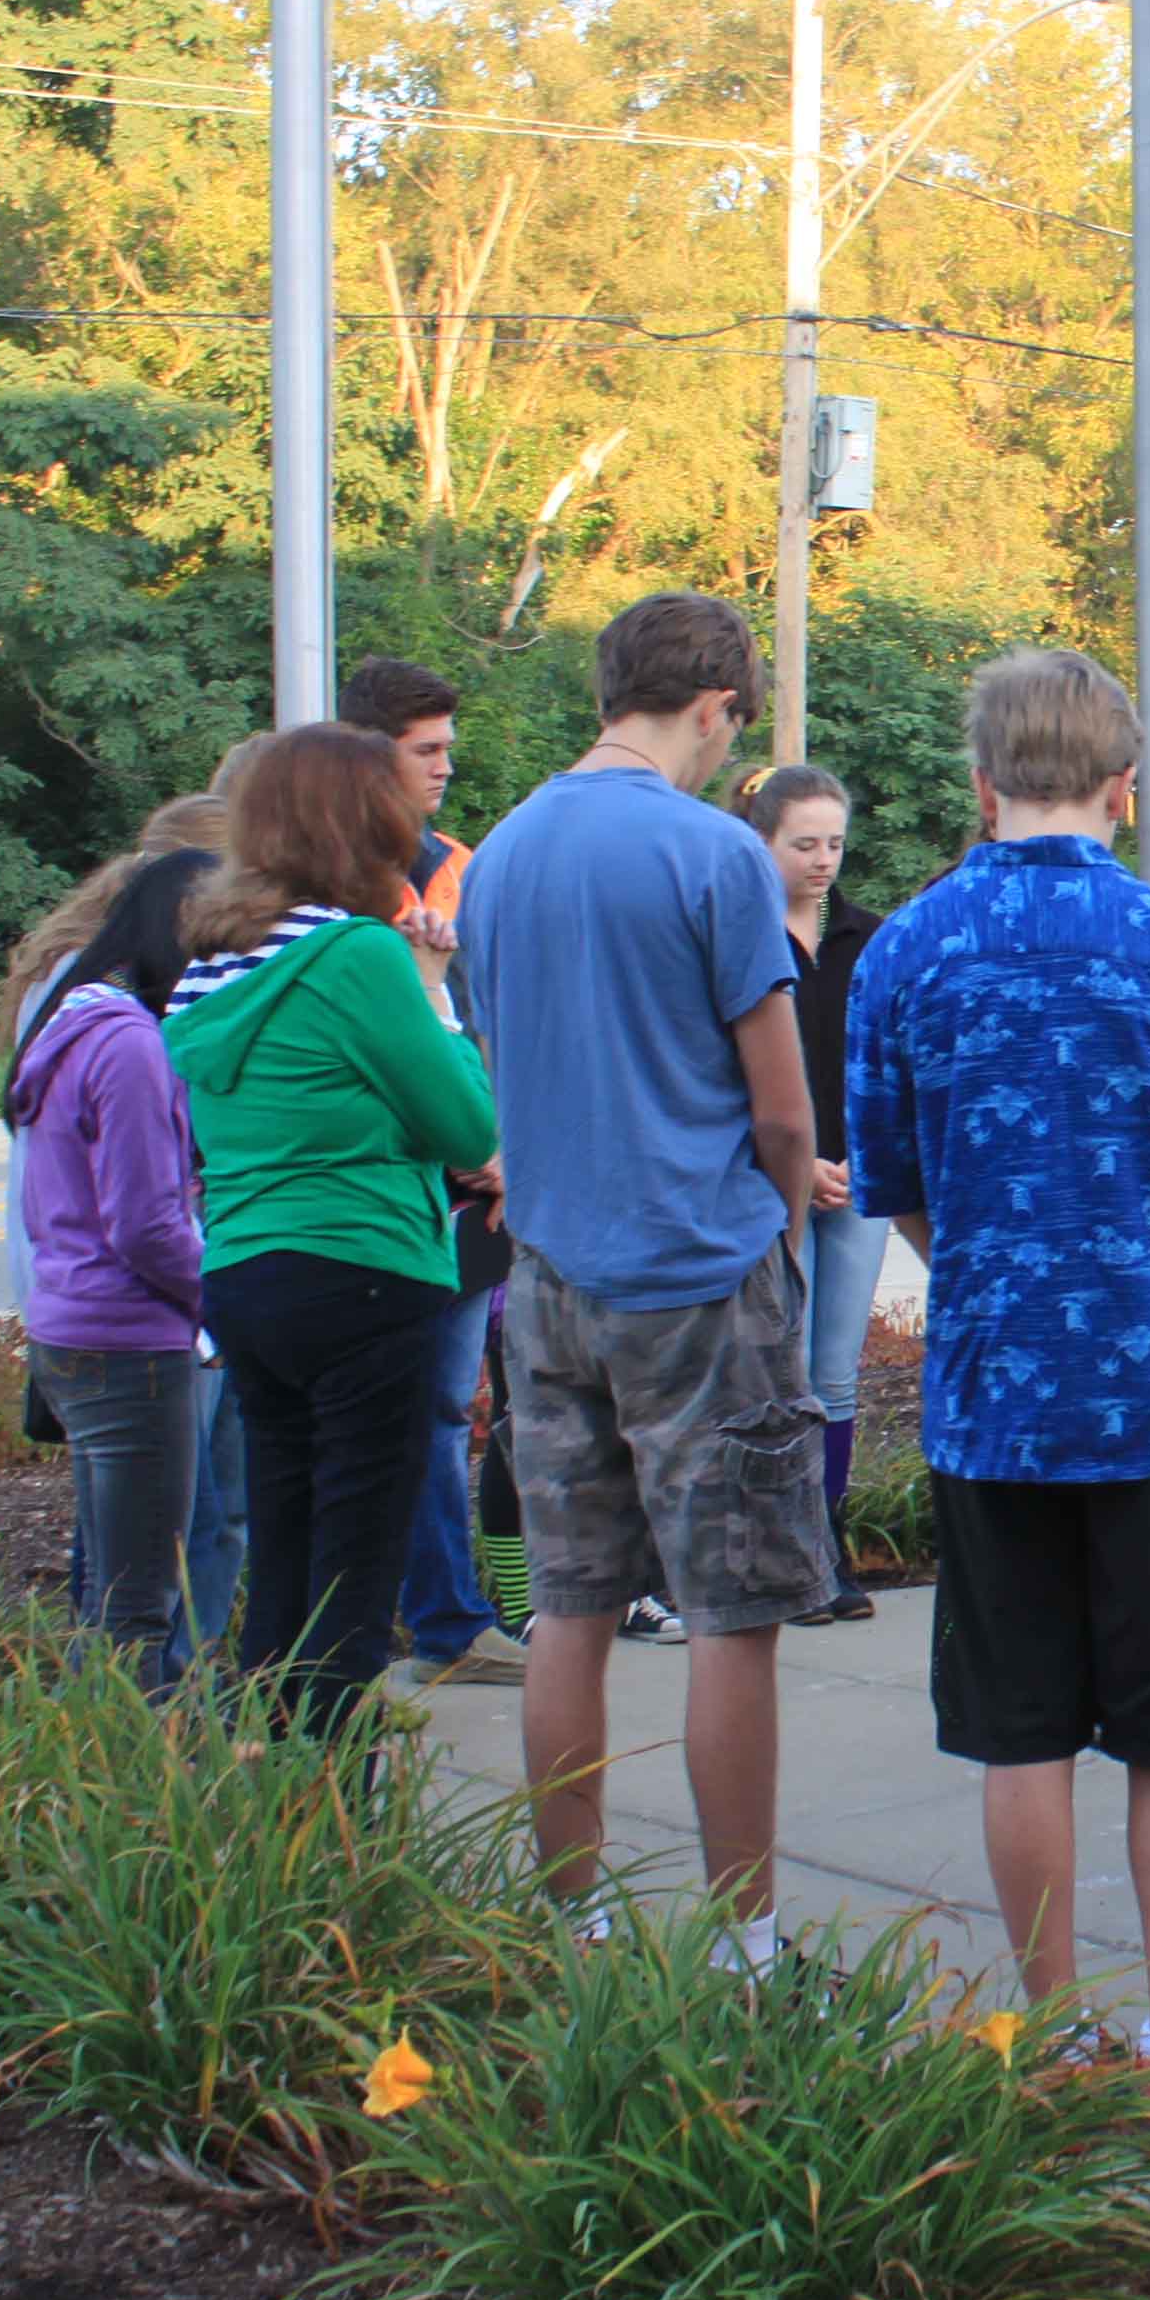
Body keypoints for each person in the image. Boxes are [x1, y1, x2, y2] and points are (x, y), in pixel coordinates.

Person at [845, 647, 1150, 2131]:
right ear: (1123, 787)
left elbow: (891, 1183)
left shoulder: (906, 946)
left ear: (981, 782)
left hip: (992, 1399)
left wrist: (991, 1265)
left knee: (1020, 1728)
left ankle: (1050, 2042)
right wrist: (1143, 1266)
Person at [457, 594, 833, 1976]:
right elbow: (782, 1112)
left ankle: (575, 1913)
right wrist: (782, 1241)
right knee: (734, 1616)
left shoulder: (496, 855)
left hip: (549, 1273)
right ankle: (749, 1943)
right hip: (699, 1273)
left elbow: (499, 1057)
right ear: (718, 708)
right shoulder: (715, 858)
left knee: (571, 1601)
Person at [164, 727, 504, 1733]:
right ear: (361, 821)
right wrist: (437, 996)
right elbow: (467, 1124)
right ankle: (334, 1823)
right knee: (355, 1571)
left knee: (286, 1547)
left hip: (248, 1277)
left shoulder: (216, 962)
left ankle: (274, 1803)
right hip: (365, 1270)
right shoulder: (355, 955)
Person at [342, 653, 519, 1688]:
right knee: (409, 1412)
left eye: (449, 747)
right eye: (428, 750)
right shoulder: (329, 881)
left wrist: (500, 1148)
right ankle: (430, 1620)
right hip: (392, 1188)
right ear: (371, 754)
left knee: (447, 1407)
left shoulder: (458, 863)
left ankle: (448, 1618)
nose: (447, 766)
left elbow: (489, 1017)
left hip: (468, 1189)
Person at [8, 849, 216, 1683]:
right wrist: (225, 1295)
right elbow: (145, 1224)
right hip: (130, 1341)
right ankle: (134, 1789)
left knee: (107, 1597)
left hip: (72, 1328)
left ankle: (89, 1764)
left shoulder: (75, 1024)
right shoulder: (130, 1045)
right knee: (138, 1607)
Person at [744, 763, 890, 1624]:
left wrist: (864, 1156)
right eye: (803, 843)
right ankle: (776, 1551)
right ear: (761, 841)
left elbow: (886, 1065)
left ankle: (825, 1549)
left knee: (835, 1376)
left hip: (858, 1182)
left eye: (835, 842)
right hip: (771, 1191)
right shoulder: (740, 940)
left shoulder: (866, 939)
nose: (823, 859)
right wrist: (796, 1168)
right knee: (778, 1377)